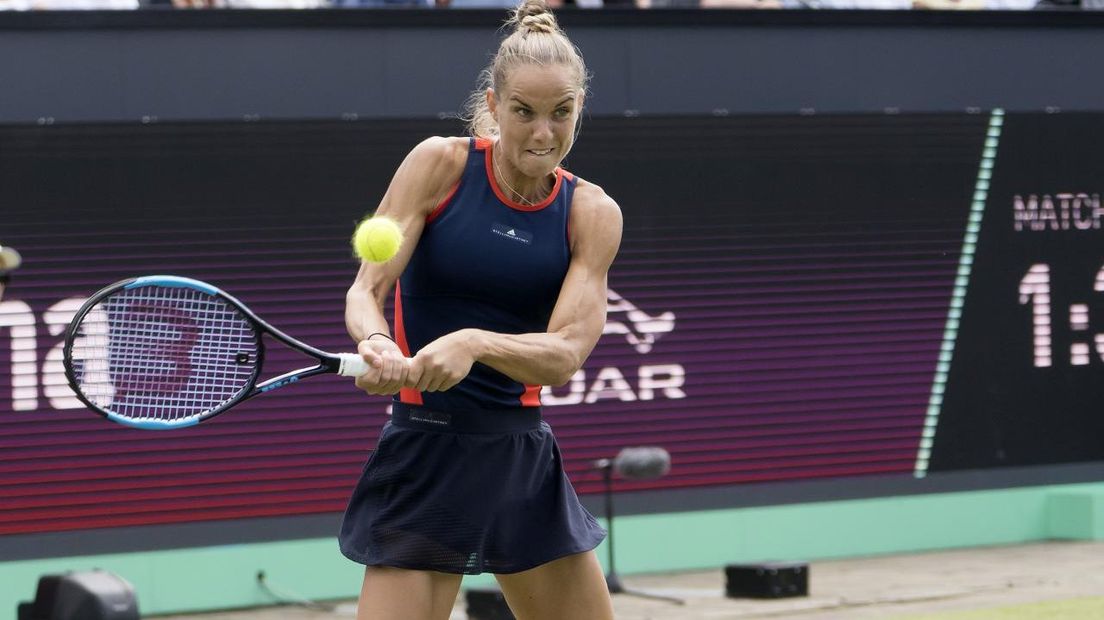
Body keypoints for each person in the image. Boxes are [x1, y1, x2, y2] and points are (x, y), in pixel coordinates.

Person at [339, 1, 622, 618]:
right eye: (523, 112)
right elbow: (366, 293)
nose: (543, 134)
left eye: (561, 113)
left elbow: (565, 355)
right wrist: (377, 342)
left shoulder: (592, 213)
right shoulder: (439, 164)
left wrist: (475, 343)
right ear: (494, 106)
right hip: (426, 452)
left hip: (519, 460)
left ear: (580, 109)